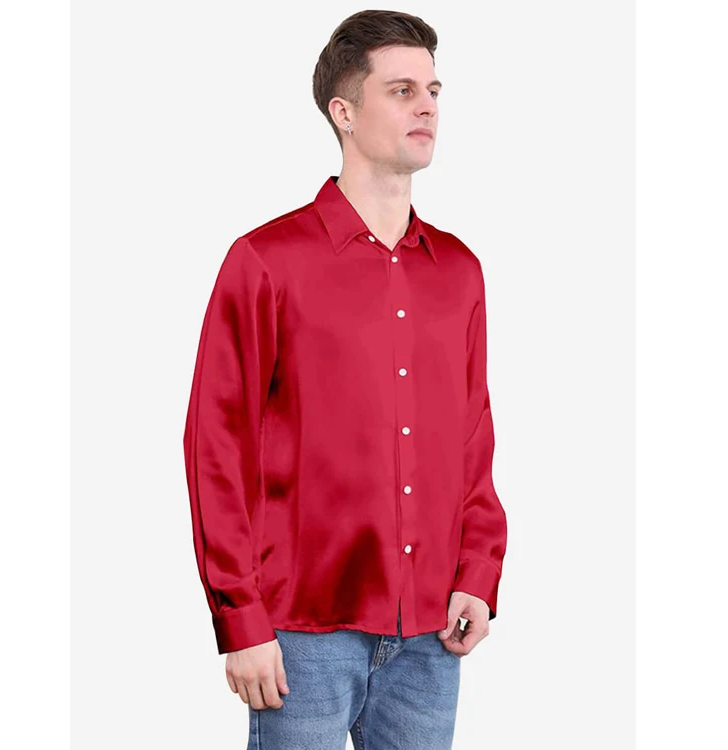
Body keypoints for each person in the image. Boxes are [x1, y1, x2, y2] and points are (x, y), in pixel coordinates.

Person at [182, 9, 508, 749]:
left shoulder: (459, 272)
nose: (427, 107)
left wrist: (478, 572)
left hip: (431, 635)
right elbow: (216, 447)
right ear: (345, 111)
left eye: (433, 90)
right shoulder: (266, 261)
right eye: (402, 90)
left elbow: (472, 438)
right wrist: (240, 618)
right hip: (301, 637)